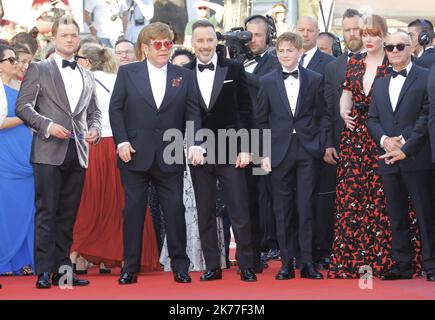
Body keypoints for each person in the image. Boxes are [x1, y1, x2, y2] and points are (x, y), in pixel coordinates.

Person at [109, 22, 203, 285]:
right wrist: (122, 141)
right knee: (134, 211)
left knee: (174, 210)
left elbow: (193, 112)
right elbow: (116, 109)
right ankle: (130, 267)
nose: (164, 49)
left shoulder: (184, 75)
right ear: (145, 47)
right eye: (158, 44)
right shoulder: (128, 73)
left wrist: (195, 143)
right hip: (135, 153)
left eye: (168, 43)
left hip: (170, 153)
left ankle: (180, 266)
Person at [328, 15, 421, 279]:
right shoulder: (354, 62)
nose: (368, 39)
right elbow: (346, 93)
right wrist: (344, 113)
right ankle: (354, 261)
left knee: (384, 202)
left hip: (384, 139)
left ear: (384, 36)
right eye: (364, 34)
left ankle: (389, 260)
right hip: (355, 139)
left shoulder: (392, 60)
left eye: (374, 34)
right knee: (353, 199)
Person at [15, 16, 102, 289]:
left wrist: (96, 131)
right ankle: (43, 271)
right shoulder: (39, 68)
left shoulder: (87, 74)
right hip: (47, 151)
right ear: (54, 38)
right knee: (47, 212)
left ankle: (63, 271)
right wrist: (48, 126)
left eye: (73, 35)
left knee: (68, 215)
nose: (69, 39)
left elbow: (95, 113)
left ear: (78, 39)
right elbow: (23, 107)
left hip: (78, 151)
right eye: (64, 35)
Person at [71, 42, 160, 275]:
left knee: (90, 203)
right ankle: (115, 257)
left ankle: (78, 256)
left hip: (95, 147)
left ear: (87, 61)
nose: (74, 61)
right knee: (122, 204)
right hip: (122, 146)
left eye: (77, 57)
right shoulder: (119, 77)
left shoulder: (84, 81)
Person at [185, 20, 257, 282]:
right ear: (193, 43)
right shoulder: (184, 71)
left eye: (209, 40)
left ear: (217, 41)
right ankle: (212, 265)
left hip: (231, 148)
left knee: (239, 209)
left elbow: (246, 110)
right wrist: (191, 145)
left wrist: (248, 148)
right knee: (204, 211)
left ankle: (247, 265)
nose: (205, 45)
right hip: (199, 152)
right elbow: (184, 115)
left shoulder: (234, 69)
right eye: (200, 41)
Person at [256, 32, 329, 281]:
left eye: (290, 50)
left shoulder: (315, 79)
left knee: (306, 207)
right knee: (282, 209)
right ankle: (286, 263)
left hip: (308, 150)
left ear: (299, 52)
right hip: (278, 151)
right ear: (276, 54)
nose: (285, 55)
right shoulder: (266, 81)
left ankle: (307, 263)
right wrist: (263, 152)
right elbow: (260, 120)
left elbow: (323, 115)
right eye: (281, 51)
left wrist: (320, 143)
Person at [367, 32, 435, 282]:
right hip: (387, 157)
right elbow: (372, 118)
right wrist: (385, 140)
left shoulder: (427, 77)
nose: (394, 50)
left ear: (410, 47)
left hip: (416, 157)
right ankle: (402, 265)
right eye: (389, 47)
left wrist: (403, 142)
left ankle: (431, 266)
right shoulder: (382, 82)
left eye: (399, 46)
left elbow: (427, 115)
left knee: (426, 214)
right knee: (396, 215)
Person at [322, 8, 364, 269]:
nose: (352, 34)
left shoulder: (381, 62)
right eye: (347, 30)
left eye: (356, 29)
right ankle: (345, 255)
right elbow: (326, 110)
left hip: (373, 145)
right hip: (341, 145)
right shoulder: (333, 67)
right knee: (343, 203)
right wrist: (328, 142)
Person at [244, 14, 281, 270]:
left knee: (265, 193)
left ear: (269, 35)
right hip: (236, 137)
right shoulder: (238, 60)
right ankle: (252, 248)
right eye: (249, 34)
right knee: (244, 195)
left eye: (258, 34)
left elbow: (264, 86)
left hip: (264, 136)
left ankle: (270, 243)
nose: (253, 40)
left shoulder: (274, 60)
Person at [0, 45, 34, 277]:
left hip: (27, 154)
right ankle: (6, 260)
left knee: (29, 209)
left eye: (16, 59)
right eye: (10, 59)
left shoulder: (22, 86)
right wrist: (25, 116)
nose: (16, 63)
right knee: (8, 208)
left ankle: (26, 259)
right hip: (6, 156)